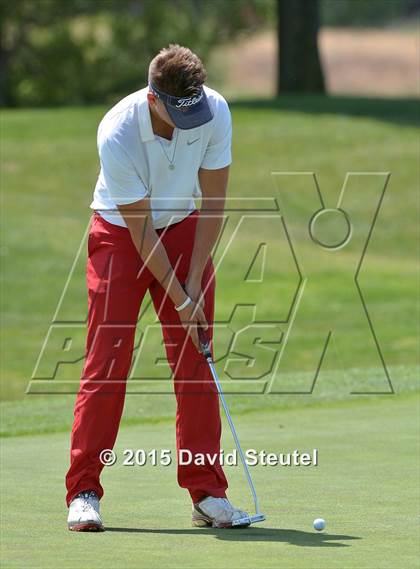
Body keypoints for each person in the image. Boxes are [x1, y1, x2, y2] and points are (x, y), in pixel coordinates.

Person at [66, 44, 249, 531]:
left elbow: (213, 203)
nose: (190, 122)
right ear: (153, 97)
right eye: (177, 113)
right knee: (107, 359)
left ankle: (207, 492)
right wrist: (178, 292)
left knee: (197, 357)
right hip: (122, 234)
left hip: (186, 229)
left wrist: (193, 286)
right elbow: (141, 231)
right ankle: (84, 489)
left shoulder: (215, 111)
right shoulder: (119, 129)